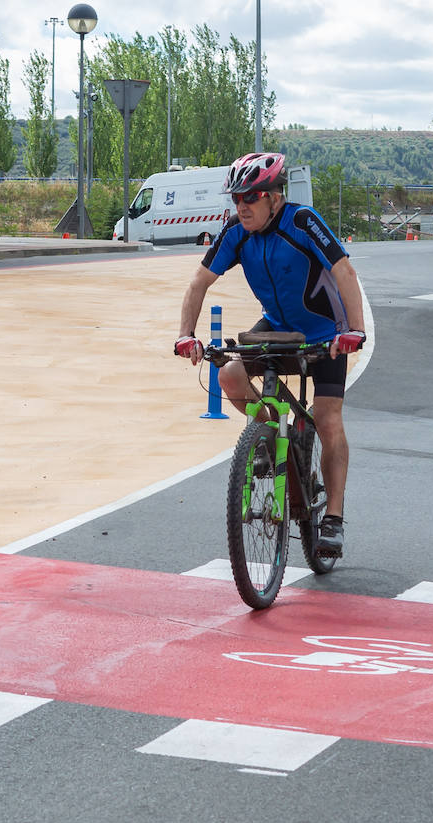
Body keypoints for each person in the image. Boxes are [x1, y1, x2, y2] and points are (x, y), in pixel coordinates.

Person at [174, 152, 367, 557]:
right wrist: (186, 335)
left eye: (250, 197)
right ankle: (267, 435)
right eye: (236, 199)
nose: (241, 206)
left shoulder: (301, 221)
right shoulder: (236, 231)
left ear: (274, 197)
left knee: (328, 416)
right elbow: (198, 282)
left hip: (324, 332)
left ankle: (332, 519)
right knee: (228, 375)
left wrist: (354, 330)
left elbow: (343, 272)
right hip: (277, 326)